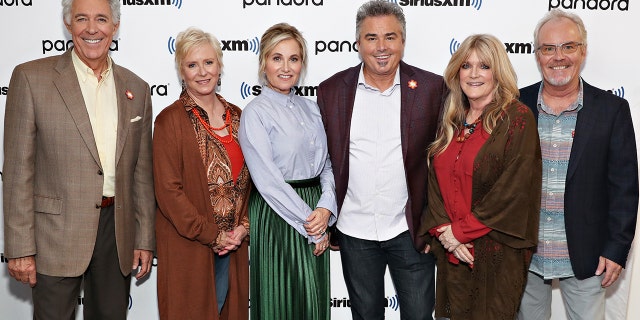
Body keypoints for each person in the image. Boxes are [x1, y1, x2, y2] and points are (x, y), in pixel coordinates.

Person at [2, 0, 155, 318]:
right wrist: (19, 248)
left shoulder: (137, 89)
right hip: (54, 234)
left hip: (117, 233)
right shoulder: (31, 79)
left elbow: (141, 172)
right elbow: (17, 171)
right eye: (81, 18)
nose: (91, 28)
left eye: (101, 19)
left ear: (115, 27)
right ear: (68, 24)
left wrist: (143, 237)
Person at [317, 1, 445, 319]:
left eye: (390, 36)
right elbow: (326, 162)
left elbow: (441, 162)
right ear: (358, 43)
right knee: (365, 315)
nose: (382, 47)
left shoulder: (431, 88)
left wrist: (433, 223)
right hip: (354, 230)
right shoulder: (331, 91)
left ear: (403, 40)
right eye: (371, 38)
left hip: (410, 230)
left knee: (418, 314)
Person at [517, 9, 638, 320]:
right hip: (524, 256)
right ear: (537, 54)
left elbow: (625, 189)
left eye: (568, 46)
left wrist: (616, 250)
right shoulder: (515, 105)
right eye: (549, 48)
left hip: (587, 257)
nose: (559, 57)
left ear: (583, 51)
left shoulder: (612, 110)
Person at [418, 34, 541, 320]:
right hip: (453, 254)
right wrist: (446, 233)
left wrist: (460, 233)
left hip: (496, 254)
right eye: (466, 66)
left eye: (484, 66)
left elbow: (513, 190)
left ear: (498, 72)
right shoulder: (452, 119)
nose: (474, 74)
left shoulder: (517, 118)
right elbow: (435, 183)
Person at [238, 23, 336, 320]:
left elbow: (328, 165)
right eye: (276, 58)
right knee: (281, 303)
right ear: (263, 63)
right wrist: (310, 225)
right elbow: (267, 182)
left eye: (293, 59)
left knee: (313, 303)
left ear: (301, 64)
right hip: (278, 216)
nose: (285, 67)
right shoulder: (255, 113)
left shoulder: (312, 108)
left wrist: (326, 209)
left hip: (316, 210)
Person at [153, 27, 250, 320]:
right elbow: (169, 193)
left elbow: (255, 184)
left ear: (219, 66)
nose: (202, 72)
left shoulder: (239, 116)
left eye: (208, 62)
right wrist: (213, 235)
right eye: (192, 64)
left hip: (233, 246)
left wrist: (243, 228)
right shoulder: (169, 120)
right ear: (181, 71)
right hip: (190, 246)